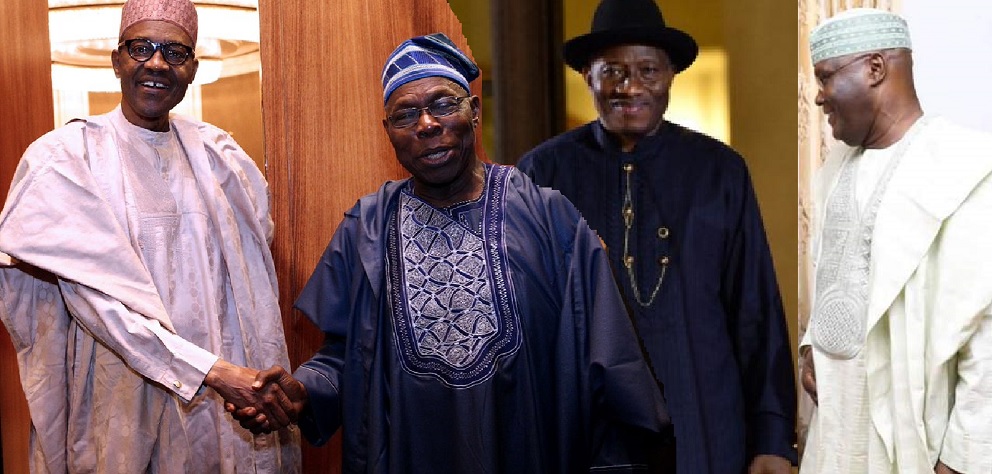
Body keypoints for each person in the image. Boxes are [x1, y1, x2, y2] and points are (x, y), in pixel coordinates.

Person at [230, 33, 673, 473]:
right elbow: (346, 357)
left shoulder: (547, 218)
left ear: (474, 111)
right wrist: (303, 391)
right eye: (405, 114)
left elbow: (609, 358)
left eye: (443, 104)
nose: (426, 124)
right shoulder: (366, 229)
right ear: (389, 132)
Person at [0, 0, 300, 472]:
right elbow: (96, 305)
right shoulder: (65, 159)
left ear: (193, 69)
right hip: (117, 397)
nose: (157, 64)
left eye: (175, 52)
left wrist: (238, 380)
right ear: (117, 59)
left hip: (221, 408)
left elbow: (250, 292)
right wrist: (212, 372)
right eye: (142, 48)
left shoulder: (224, 159)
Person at [516, 0, 797, 473]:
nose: (630, 87)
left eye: (648, 70)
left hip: (705, 422)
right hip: (593, 433)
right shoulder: (543, 173)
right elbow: (526, 319)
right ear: (587, 75)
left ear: (670, 75)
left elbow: (755, 310)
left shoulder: (719, 171)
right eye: (613, 71)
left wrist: (772, 438)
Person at [801, 8, 992, 473]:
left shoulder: (964, 168)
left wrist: (963, 459)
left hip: (917, 442)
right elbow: (837, 277)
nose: (819, 96)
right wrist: (811, 345)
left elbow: (987, 334)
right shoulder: (835, 170)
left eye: (826, 77)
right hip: (834, 434)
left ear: (874, 68)